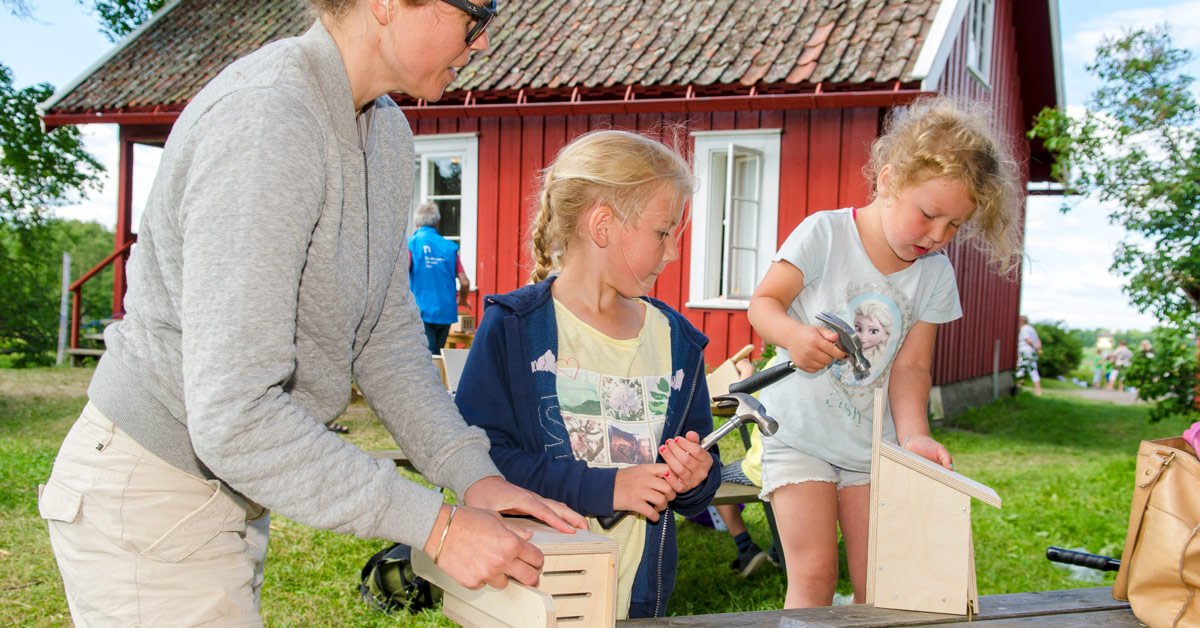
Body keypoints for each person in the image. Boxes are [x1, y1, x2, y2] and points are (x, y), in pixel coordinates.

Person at [36, 1, 589, 624]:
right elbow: (235, 414)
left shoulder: (383, 132)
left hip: (221, 492)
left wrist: (473, 476)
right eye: (476, 14)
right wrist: (435, 527)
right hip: (156, 490)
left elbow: (382, 333)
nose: (482, 42)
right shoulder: (268, 117)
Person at [746, 97, 1022, 608]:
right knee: (815, 575)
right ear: (890, 180)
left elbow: (913, 366)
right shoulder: (824, 233)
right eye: (929, 215)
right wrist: (793, 336)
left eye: (955, 226)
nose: (939, 237)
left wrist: (915, 435)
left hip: (874, 447)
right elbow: (763, 304)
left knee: (883, 583)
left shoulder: (936, 274)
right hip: (799, 434)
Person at [454, 129, 722, 618]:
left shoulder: (679, 344)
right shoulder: (514, 330)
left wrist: (697, 477)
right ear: (603, 225)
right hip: (532, 596)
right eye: (663, 232)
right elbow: (482, 462)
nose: (673, 252)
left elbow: (704, 464)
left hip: (637, 601)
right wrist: (608, 488)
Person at [713, 358, 776, 577]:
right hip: (803, 465)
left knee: (710, 476)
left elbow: (743, 396)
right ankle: (779, 550)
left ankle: (745, 547)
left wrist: (745, 367)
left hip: (764, 466)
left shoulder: (775, 366)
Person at [409, 201, 472, 354]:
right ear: (437, 223)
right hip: (445, 312)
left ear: (416, 223)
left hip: (421, 311)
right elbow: (464, 282)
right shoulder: (450, 247)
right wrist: (462, 300)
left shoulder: (411, 244)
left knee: (424, 359)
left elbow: (401, 274)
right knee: (437, 356)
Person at [1016, 315, 1043, 396]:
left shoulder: (1024, 329)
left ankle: (1017, 389)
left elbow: (1029, 340)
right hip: (1032, 353)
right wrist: (1038, 349)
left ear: (1021, 321)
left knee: (1021, 369)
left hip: (1026, 352)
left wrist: (1036, 348)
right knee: (1033, 371)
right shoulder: (1032, 329)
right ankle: (1038, 391)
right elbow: (1038, 340)